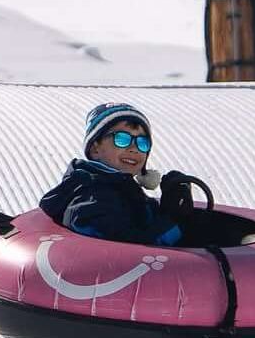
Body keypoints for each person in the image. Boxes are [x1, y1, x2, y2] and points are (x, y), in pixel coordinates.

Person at [39, 103, 189, 245]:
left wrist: (171, 201)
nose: (134, 148)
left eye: (142, 143)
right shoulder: (91, 198)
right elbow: (128, 252)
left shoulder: (122, 188)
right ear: (95, 149)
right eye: (122, 139)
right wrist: (174, 219)